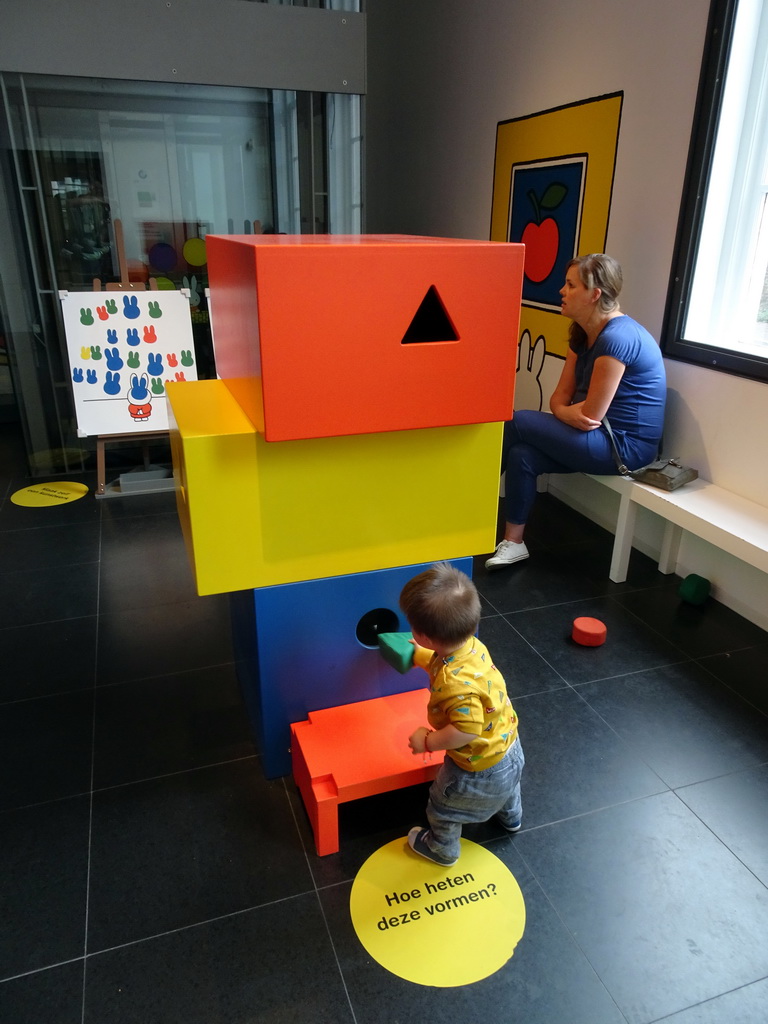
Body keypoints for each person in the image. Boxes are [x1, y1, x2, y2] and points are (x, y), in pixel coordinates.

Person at [486, 253, 666, 570]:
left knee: (516, 420)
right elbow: (560, 398)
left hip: (624, 448)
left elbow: (591, 414)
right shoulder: (581, 333)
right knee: (523, 454)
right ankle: (513, 543)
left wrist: (564, 412)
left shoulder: (618, 337)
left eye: (571, 285)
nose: (562, 291)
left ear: (594, 294)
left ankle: (462, 510)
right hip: (595, 436)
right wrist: (564, 412)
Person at [400, 563, 524, 866]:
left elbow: (466, 730)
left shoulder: (455, 684)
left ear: (424, 636)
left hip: (476, 769)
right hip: (510, 748)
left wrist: (428, 741)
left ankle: (442, 849)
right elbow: (445, 660)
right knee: (508, 788)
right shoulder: (471, 645)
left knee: (442, 805)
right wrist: (420, 655)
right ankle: (511, 818)